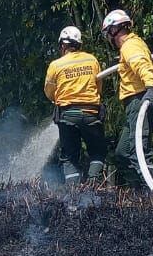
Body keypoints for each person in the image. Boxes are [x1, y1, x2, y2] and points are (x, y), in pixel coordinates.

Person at [101, 9, 153, 187]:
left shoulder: (130, 46)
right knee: (122, 153)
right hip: (133, 104)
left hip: (140, 100)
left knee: (139, 151)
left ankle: (152, 198)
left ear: (113, 30)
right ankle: (138, 194)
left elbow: (142, 65)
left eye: (108, 34)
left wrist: (151, 88)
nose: (108, 39)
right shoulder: (131, 46)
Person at [42, 25, 107, 183]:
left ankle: (74, 194)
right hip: (92, 114)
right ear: (78, 44)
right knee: (97, 152)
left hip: (67, 115)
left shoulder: (56, 65)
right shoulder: (91, 60)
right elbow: (98, 87)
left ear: (62, 45)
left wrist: (58, 97)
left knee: (70, 158)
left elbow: (49, 92)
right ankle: (93, 185)